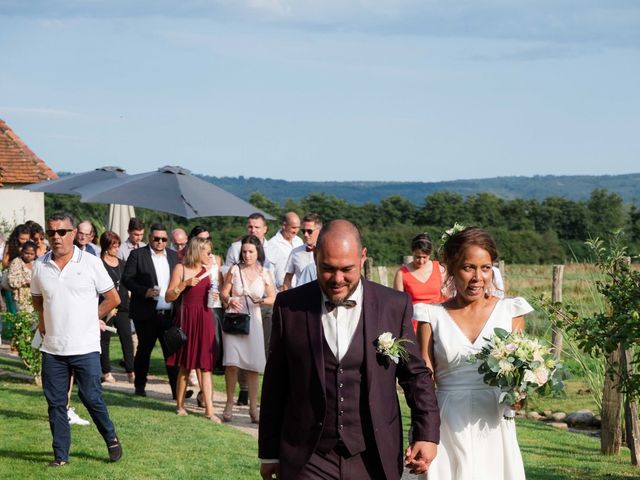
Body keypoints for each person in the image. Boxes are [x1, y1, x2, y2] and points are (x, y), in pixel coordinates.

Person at [258, 220, 440, 480]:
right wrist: (269, 452)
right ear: (316, 257)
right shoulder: (289, 307)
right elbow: (276, 382)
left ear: (363, 257)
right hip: (307, 456)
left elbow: (415, 375)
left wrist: (426, 433)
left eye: (347, 269)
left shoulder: (393, 305)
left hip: (373, 454)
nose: (337, 279)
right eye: (328, 269)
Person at [416, 226, 532, 480]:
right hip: (447, 422)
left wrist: (520, 396)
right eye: (468, 267)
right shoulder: (430, 316)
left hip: (493, 420)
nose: (478, 277)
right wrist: (422, 435)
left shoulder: (511, 312)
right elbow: (423, 382)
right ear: (451, 268)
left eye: (486, 268)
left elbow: (520, 378)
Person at [31, 212, 122, 467]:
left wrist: (91, 316)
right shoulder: (40, 265)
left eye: (61, 232)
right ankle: (61, 457)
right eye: (51, 233)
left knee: (91, 396)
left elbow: (113, 299)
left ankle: (111, 437)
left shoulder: (90, 263)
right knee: (56, 404)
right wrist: (41, 319)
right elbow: (37, 298)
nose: (56, 237)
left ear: (73, 233)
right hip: (52, 348)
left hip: (85, 346)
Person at [122, 223, 186, 399]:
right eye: (156, 238)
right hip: (146, 312)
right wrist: (144, 291)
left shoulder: (174, 256)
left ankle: (176, 392)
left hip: (169, 313)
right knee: (144, 350)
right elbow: (127, 279)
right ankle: (140, 386)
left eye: (163, 239)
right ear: (149, 238)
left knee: (171, 352)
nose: (159, 242)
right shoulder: (137, 255)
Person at [220, 235, 276, 423]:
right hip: (235, 319)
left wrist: (261, 301)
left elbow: (273, 297)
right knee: (232, 364)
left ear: (258, 252)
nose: (247, 255)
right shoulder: (234, 270)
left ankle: (253, 408)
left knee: (253, 366)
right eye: (244, 251)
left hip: (254, 320)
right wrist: (229, 300)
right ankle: (228, 404)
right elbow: (223, 292)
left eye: (250, 251)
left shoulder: (265, 272)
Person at [165, 237, 219, 420]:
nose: (210, 256)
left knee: (206, 367)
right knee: (185, 366)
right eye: (208, 253)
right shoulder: (181, 268)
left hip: (204, 319)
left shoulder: (207, 272)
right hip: (187, 319)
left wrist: (214, 294)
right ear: (198, 252)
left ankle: (209, 411)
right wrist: (184, 284)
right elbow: (168, 297)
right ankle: (180, 405)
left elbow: (210, 297)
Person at [98, 231, 135, 384]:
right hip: (106, 307)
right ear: (106, 247)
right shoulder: (99, 263)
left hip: (123, 307)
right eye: (114, 246)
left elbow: (127, 282)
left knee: (127, 338)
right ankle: (106, 371)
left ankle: (131, 371)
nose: (117, 249)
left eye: (118, 245)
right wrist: (107, 307)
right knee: (104, 340)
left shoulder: (123, 263)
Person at [393, 233, 446, 332]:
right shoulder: (402, 273)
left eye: (424, 257)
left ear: (430, 255)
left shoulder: (439, 269)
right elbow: (398, 305)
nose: (421, 261)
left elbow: (448, 295)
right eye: (417, 257)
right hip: (414, 325)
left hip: (438, 322)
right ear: (412, 252)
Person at [282, 213, 322, 291]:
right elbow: (287, 279)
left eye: (309, 231)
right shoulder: (295, 253)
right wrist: (290, 298)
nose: (306, 235)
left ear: (319, 231)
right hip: (301, 298)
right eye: (304, 231)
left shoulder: (327, 252)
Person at [265, 212, 303, 291]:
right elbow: (268, 272)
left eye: (298, 228)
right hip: (281, 291)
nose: (296, 231)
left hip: (300, 290)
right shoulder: (272, 244)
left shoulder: (299, 241)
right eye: (293, 227)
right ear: (284, 225)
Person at [8, 241, 36, 313]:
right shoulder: (16, 262)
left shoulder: (35, 263)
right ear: (22, 252)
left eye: (31, 254)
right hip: (22, 298)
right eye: (26, 253)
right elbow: (11, 281)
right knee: (24, 321)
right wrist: (25, 281)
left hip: (33, 298)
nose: (29, 255)